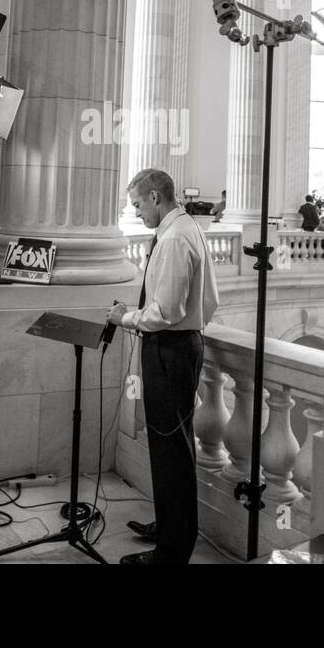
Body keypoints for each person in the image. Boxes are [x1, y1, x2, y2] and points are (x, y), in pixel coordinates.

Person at [108, 168, 219, 564]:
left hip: (170, 349)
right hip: (179, 347)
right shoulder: (187, 228)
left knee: (171, 450)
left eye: (138, 204)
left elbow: (166, 311)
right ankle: (170, 526)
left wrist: (127, 317)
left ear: (156, 197)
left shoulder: (174, 239)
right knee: (172, 445)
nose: (136, 213)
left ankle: (171, 552)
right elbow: (206, 302)